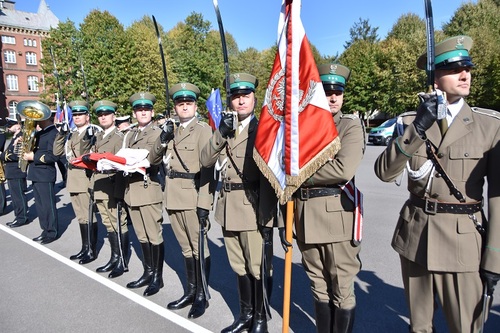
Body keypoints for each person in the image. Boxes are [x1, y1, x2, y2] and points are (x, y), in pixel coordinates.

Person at [374, 36, 500, 333]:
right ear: (435, 77)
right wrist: (418, 127)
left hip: (463, 245)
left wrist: (494, 258)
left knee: (465, 328)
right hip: (416, 238)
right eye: (454, 68)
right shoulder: (410, 121)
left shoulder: (490, 126)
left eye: (467, 67)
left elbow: (497, 199)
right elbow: (384, 172)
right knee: (419, 327)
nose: (465, 74)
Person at [292, 64, 365, 333]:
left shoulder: (350, 127)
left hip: (337, 218)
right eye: (327, 92)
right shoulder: (301, 128)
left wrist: (301, 174)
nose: (333, 97)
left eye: (338, 92)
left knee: (341, 288)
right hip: (304, 217)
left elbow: (343, 169)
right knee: (318, 286)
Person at [201, 73, 275, 333]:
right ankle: (245, 315)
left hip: (252, 206)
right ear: (230, 101)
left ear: (255, 97)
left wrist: (268, 218)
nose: (241, 101)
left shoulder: (264, 128)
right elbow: (206, 160)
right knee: (239, 266)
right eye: (235, 96)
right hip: (227, 206)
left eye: (246, 95)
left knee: (258, 267)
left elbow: (270, 176)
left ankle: (261, 318)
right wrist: (221, 133)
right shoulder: (225, 128)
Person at [150, 83, 213, 318]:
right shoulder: (170, 130)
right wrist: (163, 138)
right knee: (186, 248)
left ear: (195, 106)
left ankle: (202, 295)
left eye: (188, 103)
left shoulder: (203, 130)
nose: (184, 107)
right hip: (173, 197)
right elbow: (154, 159)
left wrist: (205, 203)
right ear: (175, 107)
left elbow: (208, 169)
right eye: (180, 104)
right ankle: (191, 290)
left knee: (199, 248)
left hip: (193, 196)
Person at [124, 92, 165, 296]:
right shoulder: (130, 135)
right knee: (141, 235)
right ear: (134, 113)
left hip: (148, 188)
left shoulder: (157, 132)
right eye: (139, 110)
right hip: (131, 189)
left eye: (146, 109)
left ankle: (158, 277)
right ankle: (147, 272)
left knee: (153, 235)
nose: (143, 112)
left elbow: (152, 158)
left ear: (152, 112)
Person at [90, 100, 129, 278]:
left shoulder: (120, 137)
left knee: (118, 223)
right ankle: (114, 257)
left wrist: (120, 192)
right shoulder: (98, 137)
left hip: (113, 186)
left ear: (114, 116)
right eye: (100, 115)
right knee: (108, 223)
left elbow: (122, 164)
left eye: (106, 114)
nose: (103, 117)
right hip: (99, 185)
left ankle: (122, 260)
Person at [53, 100, 95, 263]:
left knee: (88, 215)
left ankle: (91, 250)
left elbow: (83, 154)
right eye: (75, 115)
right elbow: (57, 153)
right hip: (72, 179)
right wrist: (61, 135)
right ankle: (84, 248)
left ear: (87, 116)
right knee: (80, 217)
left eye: (80, 115)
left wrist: (87, 139)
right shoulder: (71, 134)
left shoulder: (91, 132)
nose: (77, 118)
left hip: (84, 178)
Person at [22, 101, 59, 244]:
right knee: (40, 205)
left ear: (48, 117)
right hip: (36, 173)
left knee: (47, 205)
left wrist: (34, 157)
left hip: (45, 174)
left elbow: (53, 156)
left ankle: (52, 232)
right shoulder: (39, 133)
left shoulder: (53, 133)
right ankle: (45, 230)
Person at [2, 118, 29, 227]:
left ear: (18, 125)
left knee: (18, 196)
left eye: (11, 125)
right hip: (11, 171)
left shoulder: (21, 136)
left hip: (16, 171)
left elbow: (16, 155)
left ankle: (21, 217)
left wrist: (3, 156)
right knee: (15, 196)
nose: (9, 128)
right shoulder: (15, 136)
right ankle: (18, 216)